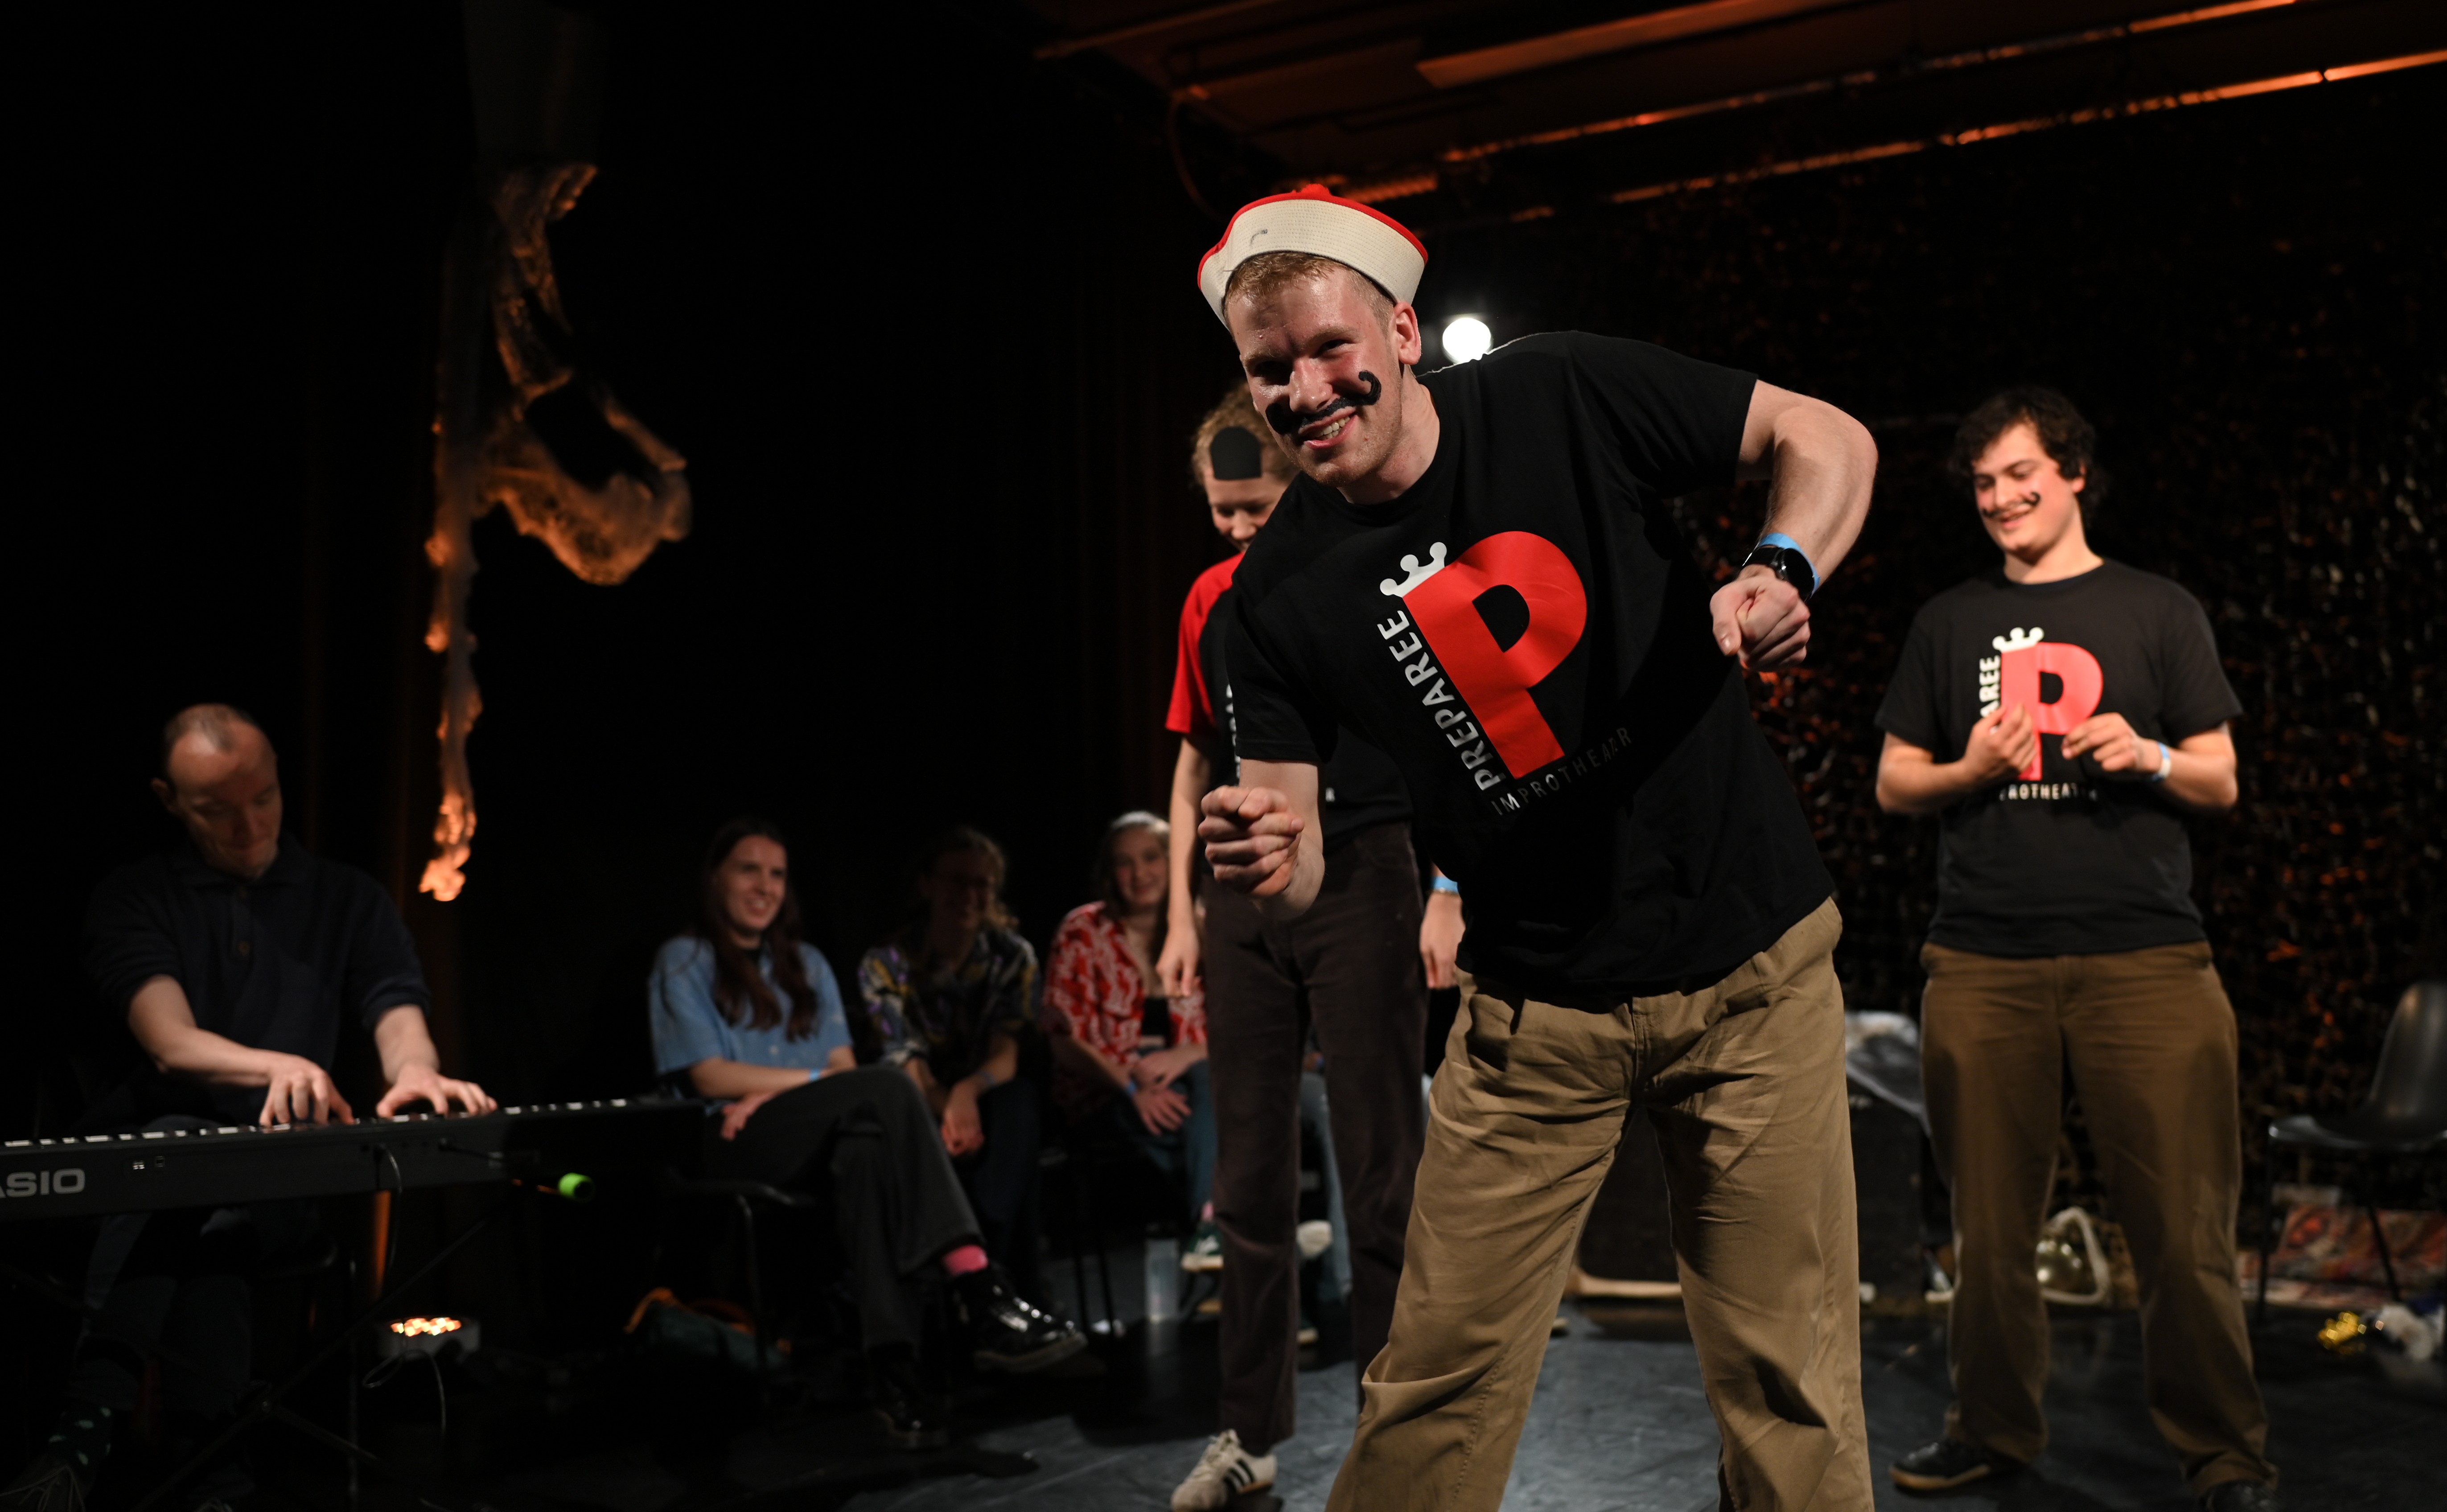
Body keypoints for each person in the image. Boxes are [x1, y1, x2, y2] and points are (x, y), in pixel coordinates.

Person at [1189, 186, 1880, 1511]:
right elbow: (1297, 861)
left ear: (1401, 330)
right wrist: (1267, 854)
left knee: (1787, 1384)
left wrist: (1782, 566)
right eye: (1269, 370)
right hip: (1532, 1014)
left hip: (1747, 962)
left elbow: (1822, 432)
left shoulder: (1555, 390)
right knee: (1428, 1388)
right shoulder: (1267, 601)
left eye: (1329, 348)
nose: (1304, 390)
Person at [1873, 390, 2276, 1512]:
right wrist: (1970, 770)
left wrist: (2147, 754)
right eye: (1983, 484)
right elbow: (1895, 779)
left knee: (2181, 1230)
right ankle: (1990, 1428)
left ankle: (2225, 1455)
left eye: (2021, 476)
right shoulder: (1949, 621)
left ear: (2074, 473)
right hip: (1983, 964)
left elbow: (2218, 777)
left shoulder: (2156, 608)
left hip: (2145, 962)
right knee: (1988, 1232)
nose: (2000, 499)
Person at [4, 704, 495, 1512]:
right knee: (194, 1181)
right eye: (217, 809)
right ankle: (218, 1488)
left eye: (263, 798)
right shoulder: (134, 896)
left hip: (274, 1191)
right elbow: (170, 1041)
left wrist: (417, 1071)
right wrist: (281, 1063)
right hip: (143, 1187)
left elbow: (395, 1006)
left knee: (216, 1201)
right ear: (168, 800)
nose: (249, 825)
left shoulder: (347, 897)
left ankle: (80, 1442)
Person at [1158, 385, 1443, 1512]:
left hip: (1363, 871)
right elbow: (1194, 755)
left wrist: (1447, 889)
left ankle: (1394, 1435)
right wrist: (1181, 916)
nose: (1237, 528)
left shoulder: (1365, 568)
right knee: (1247, 1176)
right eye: (1220, 509)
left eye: (1254, 505)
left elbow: (1444, 734)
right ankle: (1249, 1430)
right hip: (1241, 891)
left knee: (1381, 1170)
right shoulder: (1208, 597)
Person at [648, 819, 1083, 1447]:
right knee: (886, 1087)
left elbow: (843, 1070)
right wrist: (800, 1085)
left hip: (814, 1131)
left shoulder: (807, 963)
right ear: (716, 878)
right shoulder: (684, 960)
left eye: (776, 874)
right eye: (749, 870)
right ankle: (978, 1285)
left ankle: (893, 1368)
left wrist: (784, 1089)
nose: (765, 886)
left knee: (867, 1148)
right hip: (730, 1138)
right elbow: (711, 1075)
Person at [857, 826, 1045, 1290]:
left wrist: (967, 1093)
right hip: (918, 1101)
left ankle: (985, 1264)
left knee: (1019, 1104)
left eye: (982, 884)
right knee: (905, 1121)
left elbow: (1006, 1052)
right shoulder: (886, 962)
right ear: (927, 885)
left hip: (985, 1093)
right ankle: (994, 1281)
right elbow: (906, 1064)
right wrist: (953, 1111)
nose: (969, 895)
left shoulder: (1012, 956)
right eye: (956, 881)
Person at [1041, 811, 1217, 1236]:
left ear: (1173, 862)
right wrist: (1133, 1087)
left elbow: (1239, 1023)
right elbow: (1062, 1039)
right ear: (1109, 872)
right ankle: (1219, 1223)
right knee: (1218, 1123)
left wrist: (1191, 1053)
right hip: (1107, 1089)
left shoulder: (1203, 928)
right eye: (1125, 862)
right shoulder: (1082, 931)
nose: (1139, 874)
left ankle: (1211, 1227)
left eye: (1151, 857)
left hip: (1196, 1082)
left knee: (1213, 1085)